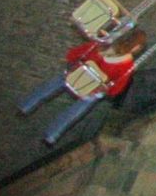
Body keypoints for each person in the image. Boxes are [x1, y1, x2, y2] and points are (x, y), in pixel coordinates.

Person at [17, 28, 146, 146]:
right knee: (74, 113)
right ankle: (52, 135)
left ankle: (26, 107)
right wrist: (102, 92)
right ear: (136, 48)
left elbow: (76, 54)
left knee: (48, 88)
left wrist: (72, 63)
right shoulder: (126, 67)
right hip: (90, 89)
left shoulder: (101, 47)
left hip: (76, 74)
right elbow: (116, 88)